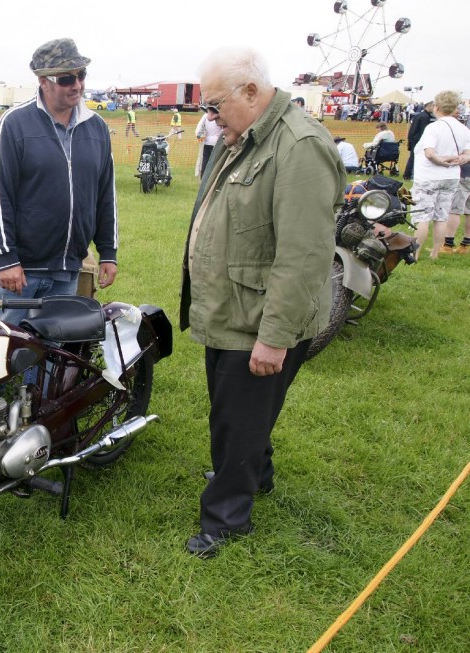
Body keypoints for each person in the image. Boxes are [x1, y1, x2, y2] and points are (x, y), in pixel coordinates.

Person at [180, 46, 344, 558]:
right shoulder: (249, 135)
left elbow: (304, 256)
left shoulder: (299, 146)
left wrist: (273, 338)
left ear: (251, 92)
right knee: (241, 411)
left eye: (214, 105)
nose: (210, 116)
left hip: (257, 320)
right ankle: (254, 472)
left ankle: (226, 520)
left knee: (240, 416)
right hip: (234, 310)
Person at [0, 37, 117, 327]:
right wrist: (7, 259)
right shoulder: (13, 124)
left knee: (52, 361)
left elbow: (105, 194)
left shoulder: (97, 128)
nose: (77, 85)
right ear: (43, 81)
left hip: (68, 270)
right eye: (67, 78)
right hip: (20, 272)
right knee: (4, 354)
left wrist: (108, 251)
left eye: (81, 75)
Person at [410, 91, 470, 260]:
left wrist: (442, 161)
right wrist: (457, 160)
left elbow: (429, 153)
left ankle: (415, 253)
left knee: (422, 216)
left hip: (429, 177)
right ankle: (435, 253)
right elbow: (468, 154)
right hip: (451, 178)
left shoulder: (434, 128)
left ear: (436, 107)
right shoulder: (463, 129)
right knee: (441, 216)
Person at [404, 100, 436, 180]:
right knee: (416, 158)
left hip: (413, 139)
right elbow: (424, 131)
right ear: (429, 106)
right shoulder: (426, 117)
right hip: (418, 140)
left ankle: (407, 175)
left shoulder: (418, 115)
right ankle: (411, 175)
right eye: (433, 106)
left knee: (412, 157)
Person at [194, 108, 223, 177]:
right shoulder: (221, 115)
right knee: (215, 162)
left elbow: (198, 129)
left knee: (205, 162)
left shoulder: (205, 116)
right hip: (217, 143)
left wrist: (199, 136)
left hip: (206, 142)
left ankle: (203, 178)